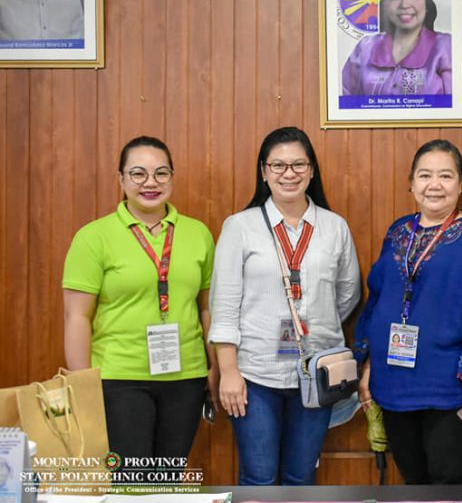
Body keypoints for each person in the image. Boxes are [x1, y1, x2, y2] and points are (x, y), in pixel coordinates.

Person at [354, 140, 462, 485]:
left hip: (453, 392)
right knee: (413, 486)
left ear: (461, 186)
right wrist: (369, 365)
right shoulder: (398, 231)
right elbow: (379, 300)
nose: (435, 184)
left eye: (446, 176)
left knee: (452, 487)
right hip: (394, 386)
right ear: (411, 183)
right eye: (425, 175)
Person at [208, 126, 361, 486]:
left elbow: (347, 293)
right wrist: (228, 371)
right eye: (277, 165)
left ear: (311, 171)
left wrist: (314, 323)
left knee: (300, 477)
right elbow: (224, 306)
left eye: (297, 165)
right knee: (258, 478)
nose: (288, 174)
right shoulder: (239, 227)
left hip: (318, 373)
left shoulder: (334, 227)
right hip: (254, 375)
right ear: (263, 171)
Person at [63, 136, 216, 467]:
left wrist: (214, 366)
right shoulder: (93, 237)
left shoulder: (198, 234)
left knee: (167, 480)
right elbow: (77, 317)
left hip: (186, 378)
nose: (151, 182)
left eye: (161, 173)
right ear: (120, 179)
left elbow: (206, 308)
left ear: (172, 177)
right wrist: (82, 386)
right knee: (130, 482)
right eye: (138, 173)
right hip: (118, 378)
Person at [342, 0, 451, 96]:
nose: (404, 4)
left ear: (427, 4)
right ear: (385, 6)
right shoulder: (365, 47)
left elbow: (457, 106)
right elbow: (345, 103)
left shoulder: (445, 46)